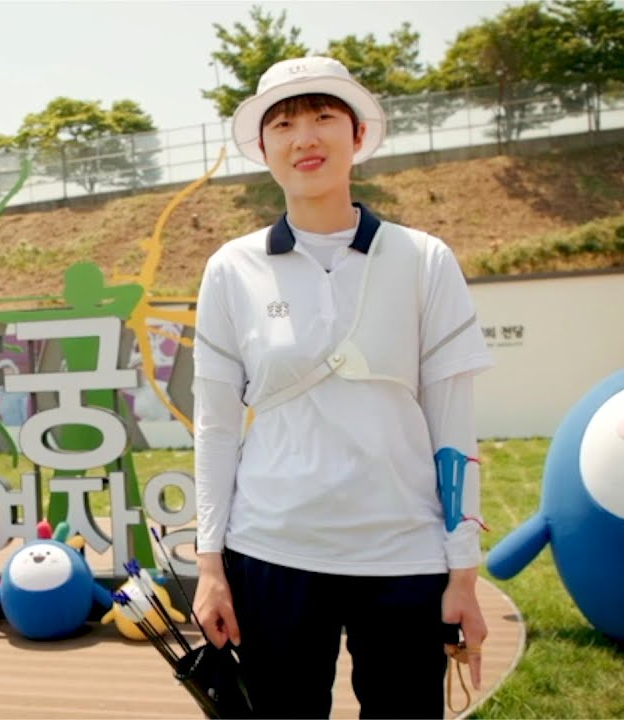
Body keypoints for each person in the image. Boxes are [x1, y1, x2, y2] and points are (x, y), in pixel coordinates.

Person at [192, 56, 493, 719]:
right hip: (272, 552)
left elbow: (454, 425)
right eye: (283, 124)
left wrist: (463, 571)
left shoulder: (424, 259)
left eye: (324, 117)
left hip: (404, 555)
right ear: (262, 147)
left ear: (357, 135)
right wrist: (210, 567)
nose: (305, 138)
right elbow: (214, 428)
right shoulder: (232, 269)